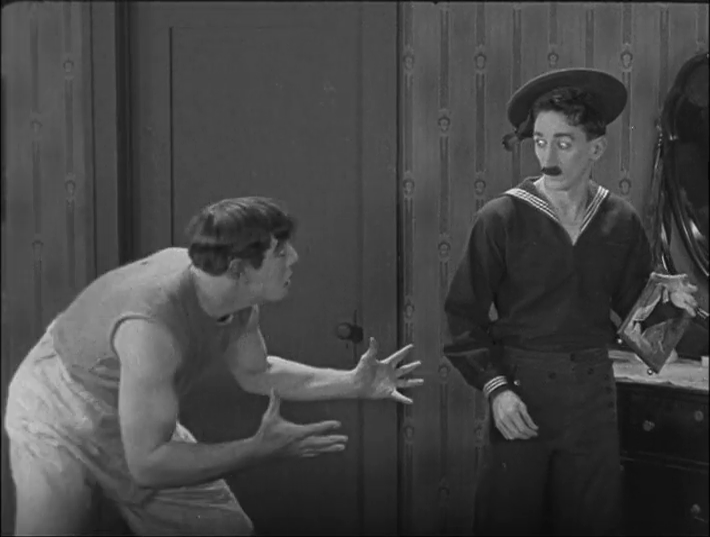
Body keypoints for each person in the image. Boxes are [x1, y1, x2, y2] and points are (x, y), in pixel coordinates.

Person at [4, 196, 423, 536]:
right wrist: (255, 449)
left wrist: (354, 383)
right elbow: (148, 464)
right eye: (280, 251)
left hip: (131, 410)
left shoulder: (238, 299)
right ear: (239, 270)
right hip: (55, 407)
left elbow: (256, 372)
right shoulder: (150, 330)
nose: (294, 257)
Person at [443, 68, 698, 536]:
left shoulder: (619, 221)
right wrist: (497, 390)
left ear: (595, 149)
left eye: (563, 143)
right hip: (521, 392)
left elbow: (641, 326)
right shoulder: (501, 218)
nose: (548, 157)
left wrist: (673, 304)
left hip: (591, 398)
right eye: (540, 142)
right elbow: (463, 318)